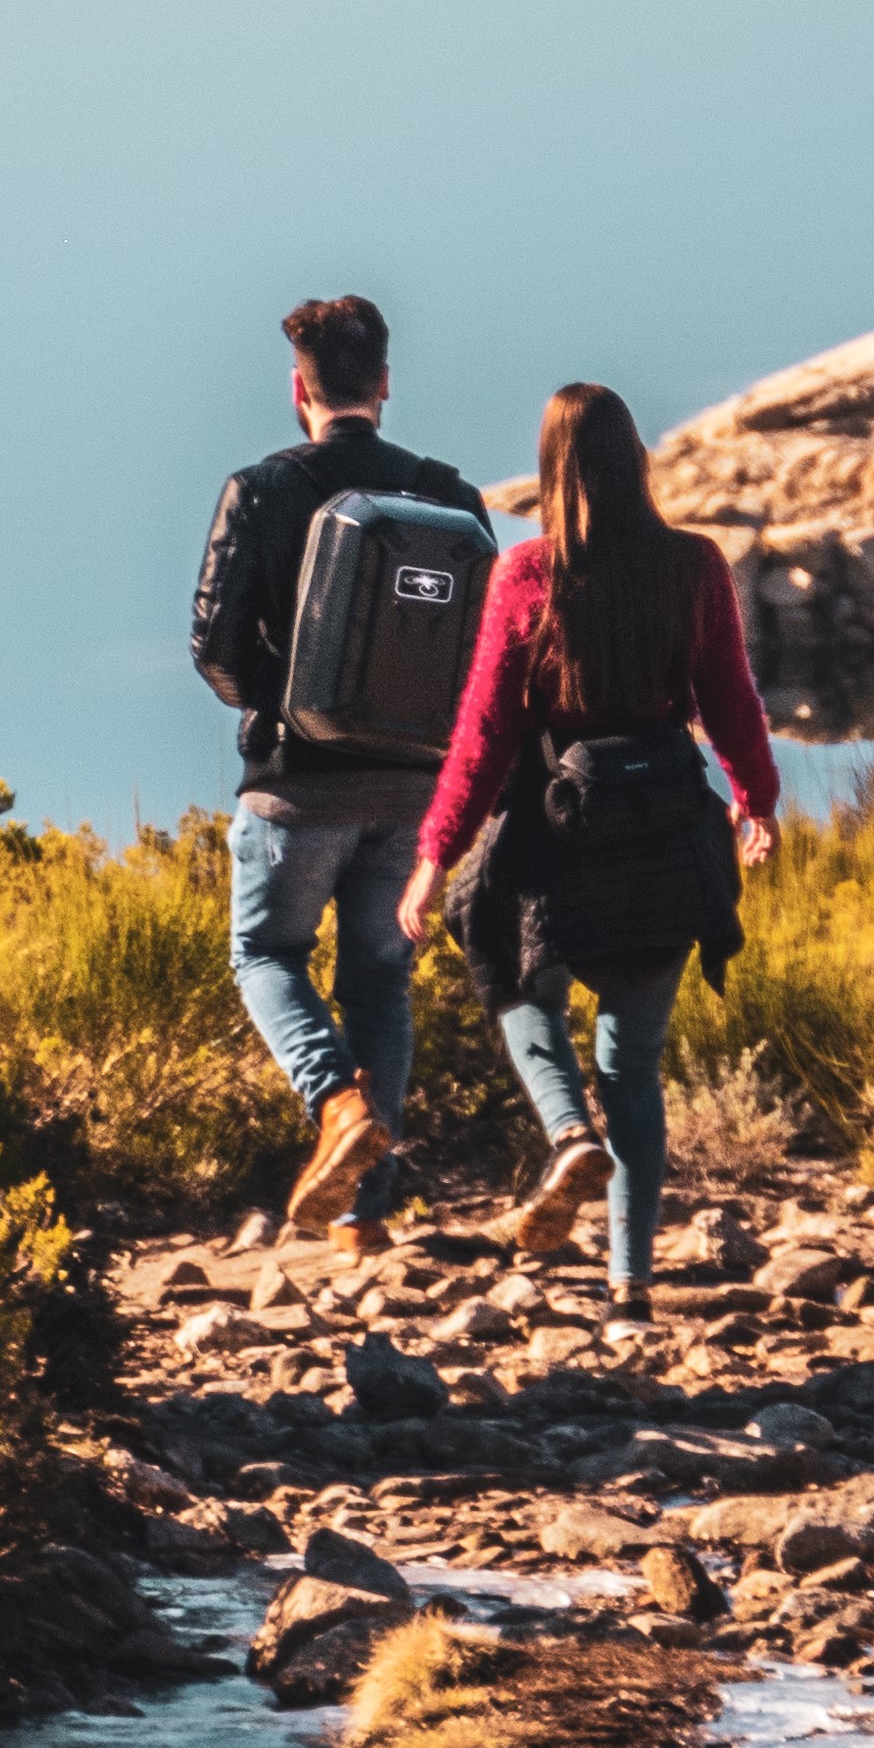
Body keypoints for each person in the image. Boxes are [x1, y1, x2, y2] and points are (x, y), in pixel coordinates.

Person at [400, 380, 779, 1314]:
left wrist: (435, 852)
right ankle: (630, 1282)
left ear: (552, 469)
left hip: (555, 844)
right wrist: (755, 800)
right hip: (667, 839)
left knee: (507, 967)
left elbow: (484, 735)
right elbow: (732, 698)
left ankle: (568, 1131)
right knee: (634, 1064)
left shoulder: (527, 575)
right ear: (636, 460)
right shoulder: (694, 565)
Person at [191, 290, 486, 1227]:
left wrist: (276, 713)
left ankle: (336, 1102)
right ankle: (366, 1212)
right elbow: (481, 651)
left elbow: (216, 646)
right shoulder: (451, 497)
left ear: (297, 389)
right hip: (412, 791)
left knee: (265, 952)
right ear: (385, 384)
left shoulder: (261, 489)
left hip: (295, 791)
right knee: (379, 982)